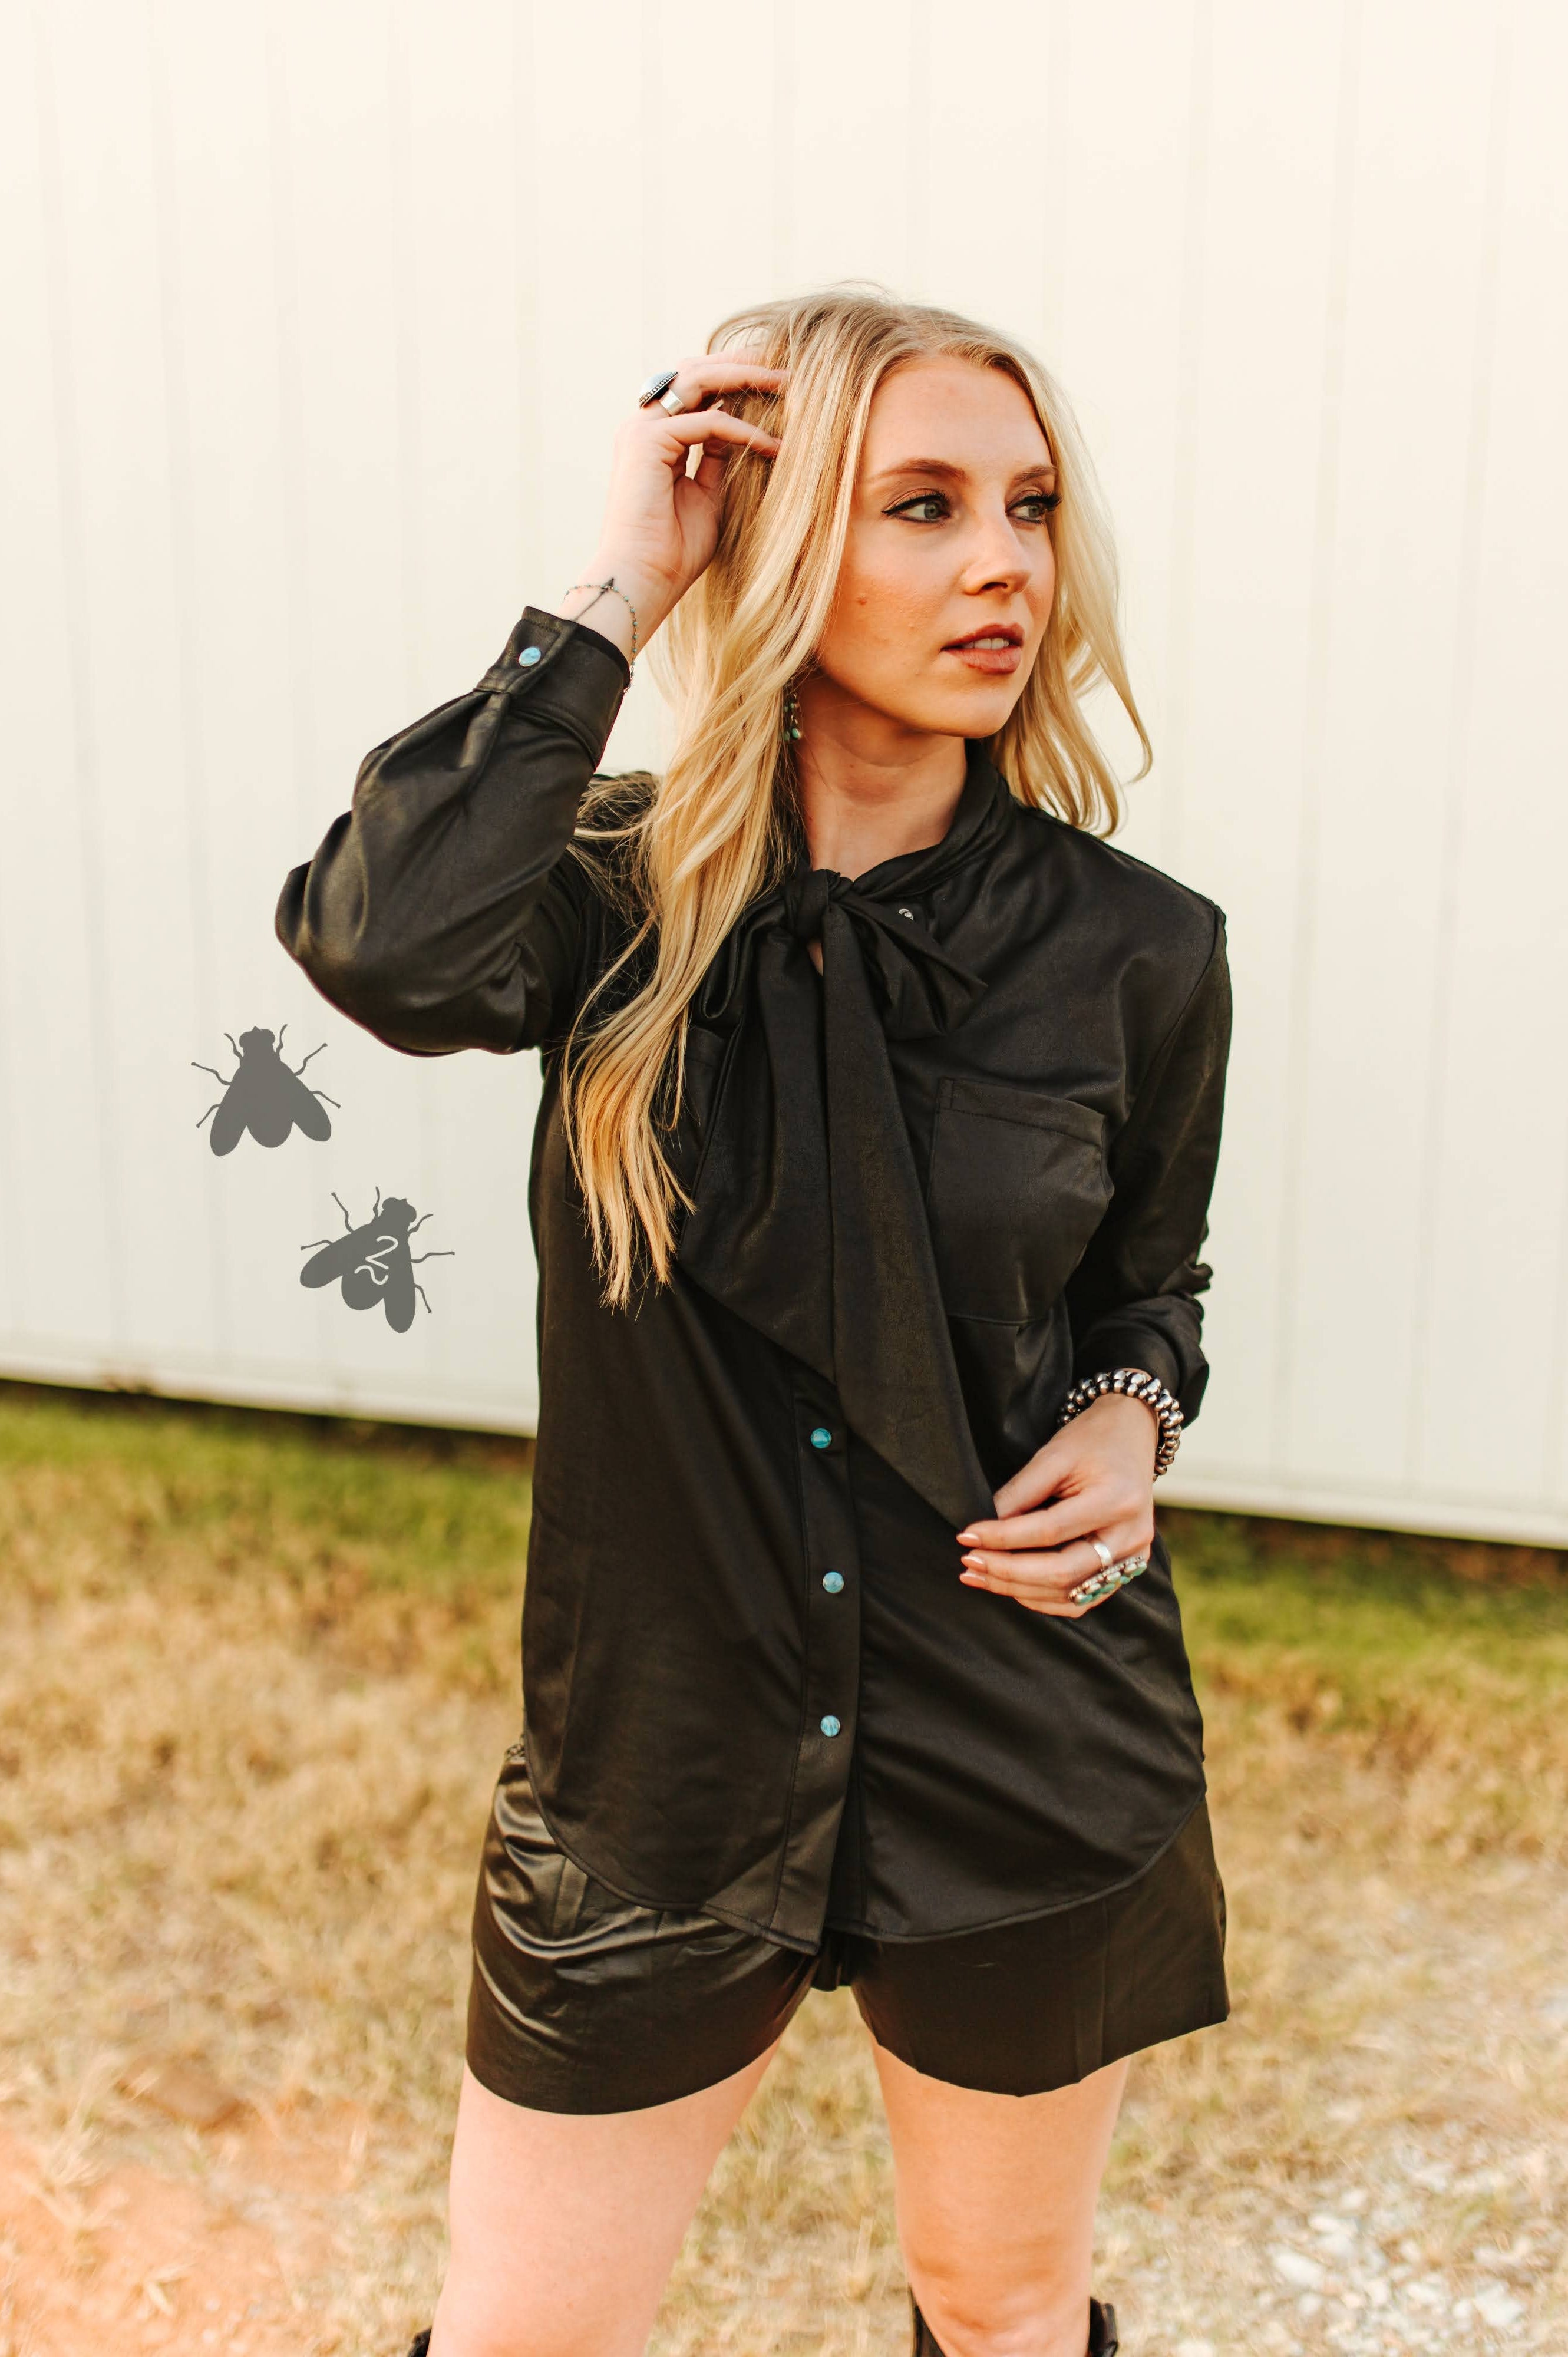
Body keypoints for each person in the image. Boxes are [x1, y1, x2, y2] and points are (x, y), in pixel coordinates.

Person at [276, 286, 1233, 2357]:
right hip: (660, 1760)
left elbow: (1147, 1282)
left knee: (1001, 2305)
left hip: (1021, 1738)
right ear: (781, 537)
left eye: (1031, 505)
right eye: (920, 505)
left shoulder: (1139, 953)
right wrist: (625, 579)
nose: (1004, 562)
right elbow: (381, 938)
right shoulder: (599, 898)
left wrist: (1137, 1412)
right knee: (527, 2328)